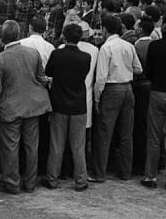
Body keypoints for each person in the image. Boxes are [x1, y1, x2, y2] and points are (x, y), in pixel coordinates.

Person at [0, 20, 51, 194]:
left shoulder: (0, 59)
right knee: (32, 146)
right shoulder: (33, 53)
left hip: (10, 109)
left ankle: (12, 183)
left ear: (1, 36)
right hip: (33, 106)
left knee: (10, 147)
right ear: (19, 33)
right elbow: (41, 78)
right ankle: (30, 183)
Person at [91, 15, 143, 183]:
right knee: (126, 134)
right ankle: (125, 172)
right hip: (127, 88)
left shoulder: (106, 48)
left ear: (105, 29)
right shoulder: (128, 45)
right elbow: (138, 69)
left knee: (105, 133)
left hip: (112, 89)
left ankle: (100, 173)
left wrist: (97, 98)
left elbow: (101, 78)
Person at [41, 24, 91, 191]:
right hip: (79, 105)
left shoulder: (57, 54)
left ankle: (52, 178)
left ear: (64, 36)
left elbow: (48, 72)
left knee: (57, 144)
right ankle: (81, 180)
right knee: (78, 146)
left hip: (59, 104)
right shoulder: (86, 57)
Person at [140, 17, 166, 188]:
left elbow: (147, 72)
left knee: (154, 137)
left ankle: (151, 176)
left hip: (157, 92)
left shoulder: (155, 46)